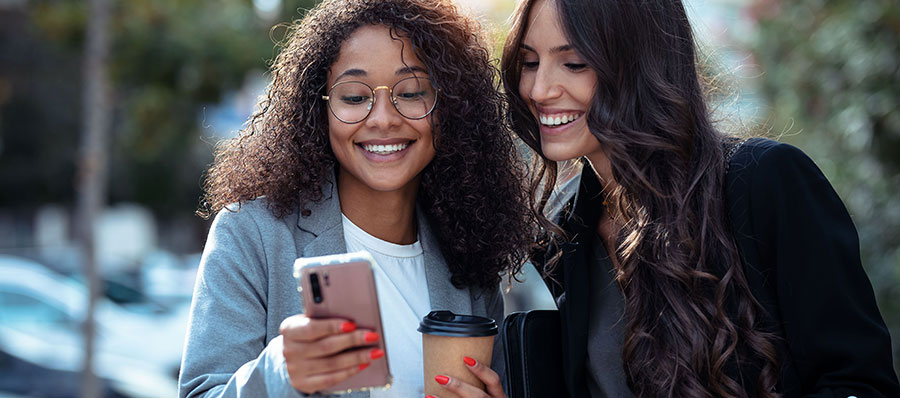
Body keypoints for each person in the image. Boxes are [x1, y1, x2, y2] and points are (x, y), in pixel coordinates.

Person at [499, 0, 900, 397]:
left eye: (574, 64)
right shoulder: (564, 230)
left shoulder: (763, 183)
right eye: (530, 62)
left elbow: (859, 383)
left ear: (641, 63)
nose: (538, 89)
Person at [178, 1, 531, 397]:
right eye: (353, 97)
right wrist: (280, 372)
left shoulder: (468, 252)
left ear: (450, 108)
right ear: (319, 108)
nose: (382, 118)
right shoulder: (253, 234)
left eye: (412, 92)